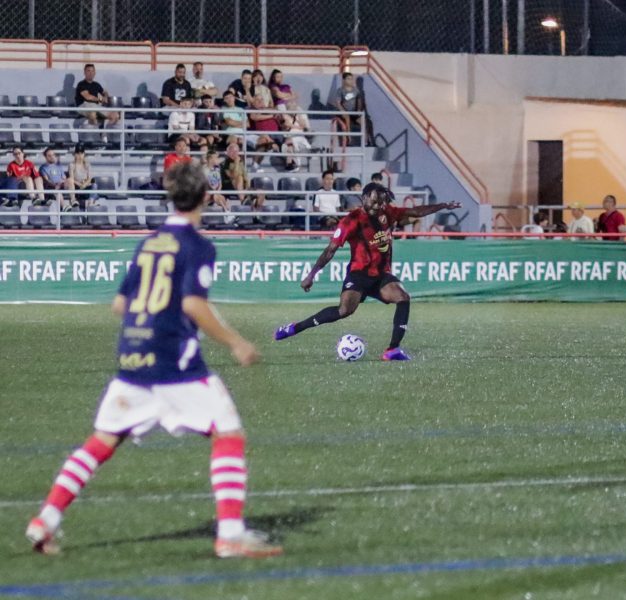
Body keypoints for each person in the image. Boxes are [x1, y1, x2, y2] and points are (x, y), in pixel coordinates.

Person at [25, 161, 282, 559]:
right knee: (228, 432)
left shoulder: (149, 242)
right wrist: (236, 342)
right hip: (174, 363)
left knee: (102, 441)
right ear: (205, 196)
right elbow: (193, 304)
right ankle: (230, 534)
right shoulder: (198, 246)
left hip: (132, 356)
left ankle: (46, 519)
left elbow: (119, 304)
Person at [273, 184, 461, 361]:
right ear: (363, 198)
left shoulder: (387, 212)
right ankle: (294, 328)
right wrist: (311, 274)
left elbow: (416, 211)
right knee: (344, 311)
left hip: (381, 275)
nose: (377, 206)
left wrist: (443, 206)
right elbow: (330, 250)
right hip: (359, 274)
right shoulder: (351, 220)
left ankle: (392, 350)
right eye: (374, 201)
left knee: (403, 297)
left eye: (381, 202)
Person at [221, 143, 262, 210]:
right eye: (232, 151)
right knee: (239, 177)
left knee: (261, 193)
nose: (234, 153)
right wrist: (236, 163)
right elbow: (233, 176)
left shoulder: (241, 162)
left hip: (242, 187)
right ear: (228, 152)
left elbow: (245, 175)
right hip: (229, 186)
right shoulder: (225, 163)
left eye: (236, 151)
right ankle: (243, 201)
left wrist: (248, 188)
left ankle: (257, 212)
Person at [246, 96, 281, 171]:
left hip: (277, 134)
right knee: (263, 142)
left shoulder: (270, 109)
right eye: (257, 100)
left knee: (289, 142)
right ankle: (255, 165)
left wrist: (264, 110)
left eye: (261, 99)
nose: (260, 101)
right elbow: (254, 117)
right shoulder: (252, 110)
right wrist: (271, 116)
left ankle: (290, 163)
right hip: (264, 134)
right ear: (253, 103)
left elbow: (276, 111)